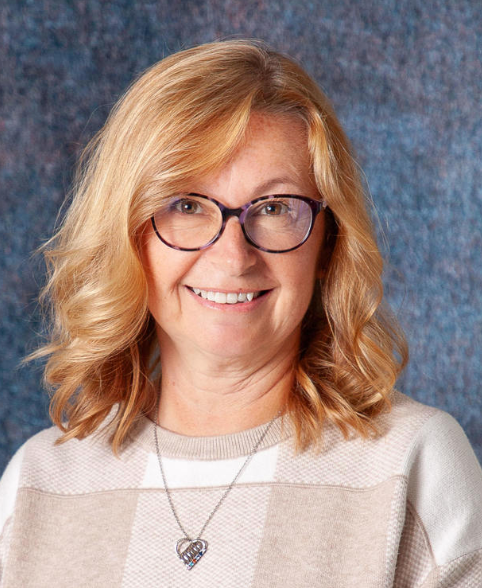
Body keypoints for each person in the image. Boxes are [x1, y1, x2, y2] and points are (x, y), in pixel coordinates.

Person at [0, 39, 481, 587]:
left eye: (275, 208)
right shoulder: (38, 485)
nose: (232, 257)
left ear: (327, 244)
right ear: (128, 236)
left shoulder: (414, 465)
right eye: (185, 205)